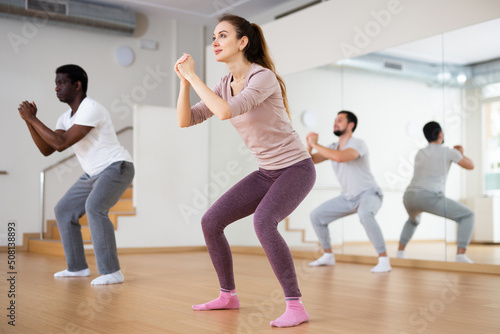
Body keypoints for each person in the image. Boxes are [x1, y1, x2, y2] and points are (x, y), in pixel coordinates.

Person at [174, 14, 315, 328]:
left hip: (296, 169)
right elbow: (186, 119)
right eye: (213, 37)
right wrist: (185, 83)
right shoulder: (224, 84)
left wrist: (194, 77)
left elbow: (224, 112)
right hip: (267, 173)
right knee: (211, 221)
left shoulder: (262, 77)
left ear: (243, 42)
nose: (215, 43)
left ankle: (295, 305)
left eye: (222, 36)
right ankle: (228, 295)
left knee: (264, 222)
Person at [18, 64, 134, 285]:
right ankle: (77, 267)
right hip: (92, 173)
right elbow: (47, 149)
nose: (56, 88)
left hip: (116, 167)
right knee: (64, 210)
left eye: (61, 83)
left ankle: (112, 271)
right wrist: (28, 121)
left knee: (94, 207)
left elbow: (60, 144)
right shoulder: (65, 118)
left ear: (77, 85)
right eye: (56, 83)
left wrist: (33, 119)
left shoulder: (92, 108)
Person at [307, 111, 392, 273]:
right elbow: (309, 161)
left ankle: (384, 259)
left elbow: (340, 157)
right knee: (316, 215)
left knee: (365, 214)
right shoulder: (332, 147)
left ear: (350, 125)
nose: (335, 123)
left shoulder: (358, 143)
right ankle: (328, 255)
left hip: (369, 193)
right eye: (335, 120)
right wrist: (309, 146)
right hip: (347, 198)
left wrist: (316, 145)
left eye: (340, 120)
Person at [397, 121, 475, 263]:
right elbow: (470, 166)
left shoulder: (420, 153)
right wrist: (460, 153)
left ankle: (400, 252)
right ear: (440, 134)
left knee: (413, 221)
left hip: (409, 197)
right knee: (468, 215)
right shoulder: (449, 152)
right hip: (429, 197)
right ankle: (460, 256)